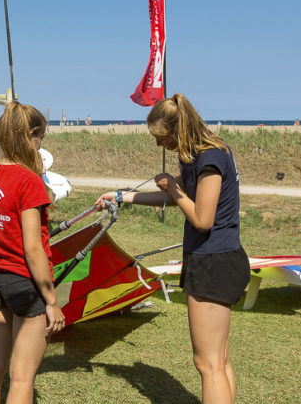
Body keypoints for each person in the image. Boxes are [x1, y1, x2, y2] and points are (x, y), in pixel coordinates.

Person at [95, 93, 248, 404]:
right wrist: (121, 196)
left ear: (179, 130)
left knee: (208, 364)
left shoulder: (209, 159)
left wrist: (174, 187)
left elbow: (202, 219)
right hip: (210, 260)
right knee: (218, 361)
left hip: (213, 263)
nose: (158, 145)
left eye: (162, 138)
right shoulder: (195, 155)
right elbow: (172, 198)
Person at [0, 101, 65, 404]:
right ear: (32, 136)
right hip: (25, 284)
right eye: (41, 138)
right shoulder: (29, 181)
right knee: (22, 377)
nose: (41, 145)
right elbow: (33, 248)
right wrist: (52, 302)